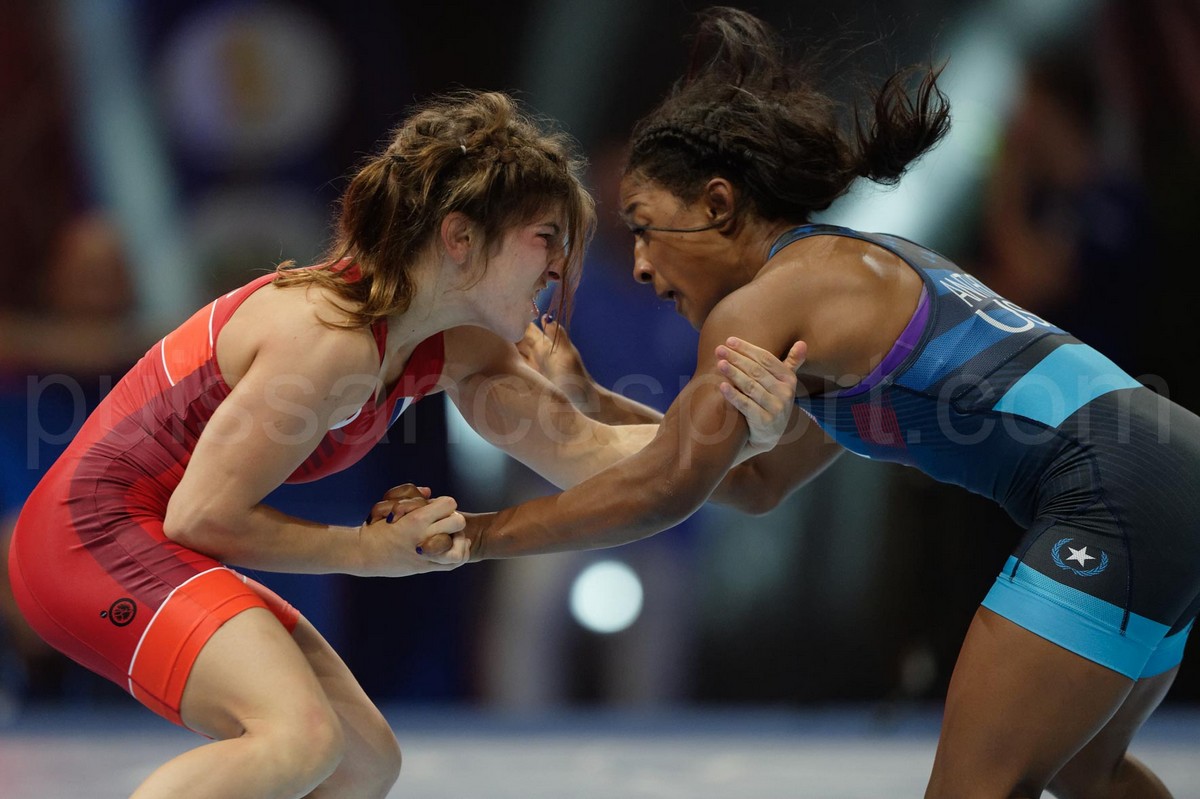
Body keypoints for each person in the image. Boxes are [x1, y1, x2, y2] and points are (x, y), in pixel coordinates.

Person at [406, 9, 1200, 798]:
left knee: (975, 787)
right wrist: (592, 399)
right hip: (1165, 469)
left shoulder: (766, 304)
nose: (640, 264)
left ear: (718, 205)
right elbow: (756, 480)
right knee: (1085, 770)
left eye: (645, 228)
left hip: (1117, 487)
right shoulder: (833, 281)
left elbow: (663, 489)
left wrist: (477, 535)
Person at [7, 89, 804, 799]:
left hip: (143, 539)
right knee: (297, 738)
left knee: (361, 764)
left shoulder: (455, 344)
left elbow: (589, 452)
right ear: (460, 238)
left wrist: (739, 432)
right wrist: (368, 550)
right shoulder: (328, 337)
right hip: (87, 540)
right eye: (545, 238)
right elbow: (201, 518)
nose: (562, 268)